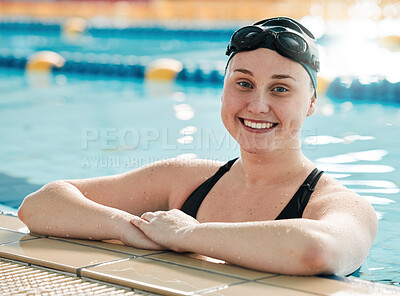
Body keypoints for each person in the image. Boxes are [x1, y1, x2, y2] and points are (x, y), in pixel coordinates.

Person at [18, 17, 377, 276]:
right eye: (243, 83)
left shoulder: (340, 204)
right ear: (222, 90)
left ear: (311, 103)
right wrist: (128, 228)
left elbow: (316, 251)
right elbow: (39, 205)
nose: (257, 105)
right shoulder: (183, 179)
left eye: (281, 89)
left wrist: (188, 235)